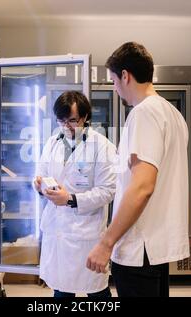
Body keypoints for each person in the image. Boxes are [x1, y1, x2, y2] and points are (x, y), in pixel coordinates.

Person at [86, 42, 190, 297]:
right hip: (154, 249)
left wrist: (106, 242)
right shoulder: (172, 113)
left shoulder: (144, 113)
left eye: (113, 80)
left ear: (125, 75)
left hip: (139, 250)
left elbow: (142, 187)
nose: (115, 87)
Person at [34, 91, 117, 298]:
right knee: (61, 290)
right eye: (62, 121)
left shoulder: (102, 147)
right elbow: (41, 173)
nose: (67, 126)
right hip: (57, 230)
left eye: (72, 120)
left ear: (86, 117)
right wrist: (39, 185)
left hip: (85, 234)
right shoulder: (53, 142)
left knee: (96, 291)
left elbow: (107, 191)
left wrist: (70, 199)